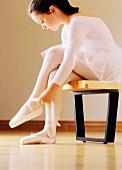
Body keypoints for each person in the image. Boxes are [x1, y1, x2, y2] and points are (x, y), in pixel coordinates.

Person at [9, 0, 122, 144]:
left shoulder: (78, 22)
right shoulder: (67, 28)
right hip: (91, 68)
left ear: (53, 10)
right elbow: (69, 63)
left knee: (54, 53)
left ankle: (32, 101)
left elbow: (69, 61)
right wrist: (51, 87)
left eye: (42, 21)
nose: (43, 26)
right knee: (53, 75)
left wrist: (49, 91)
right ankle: (49, 132)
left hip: (106, 70)